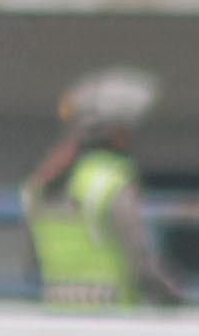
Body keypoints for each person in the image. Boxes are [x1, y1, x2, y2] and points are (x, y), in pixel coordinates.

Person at [22, 66, 183, 308]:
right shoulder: (109, 181)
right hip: (112, 315)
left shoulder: (40, 183)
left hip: (57, 312)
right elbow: (140, 257)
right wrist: (170, 294)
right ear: (118, 131)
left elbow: (33, 262)